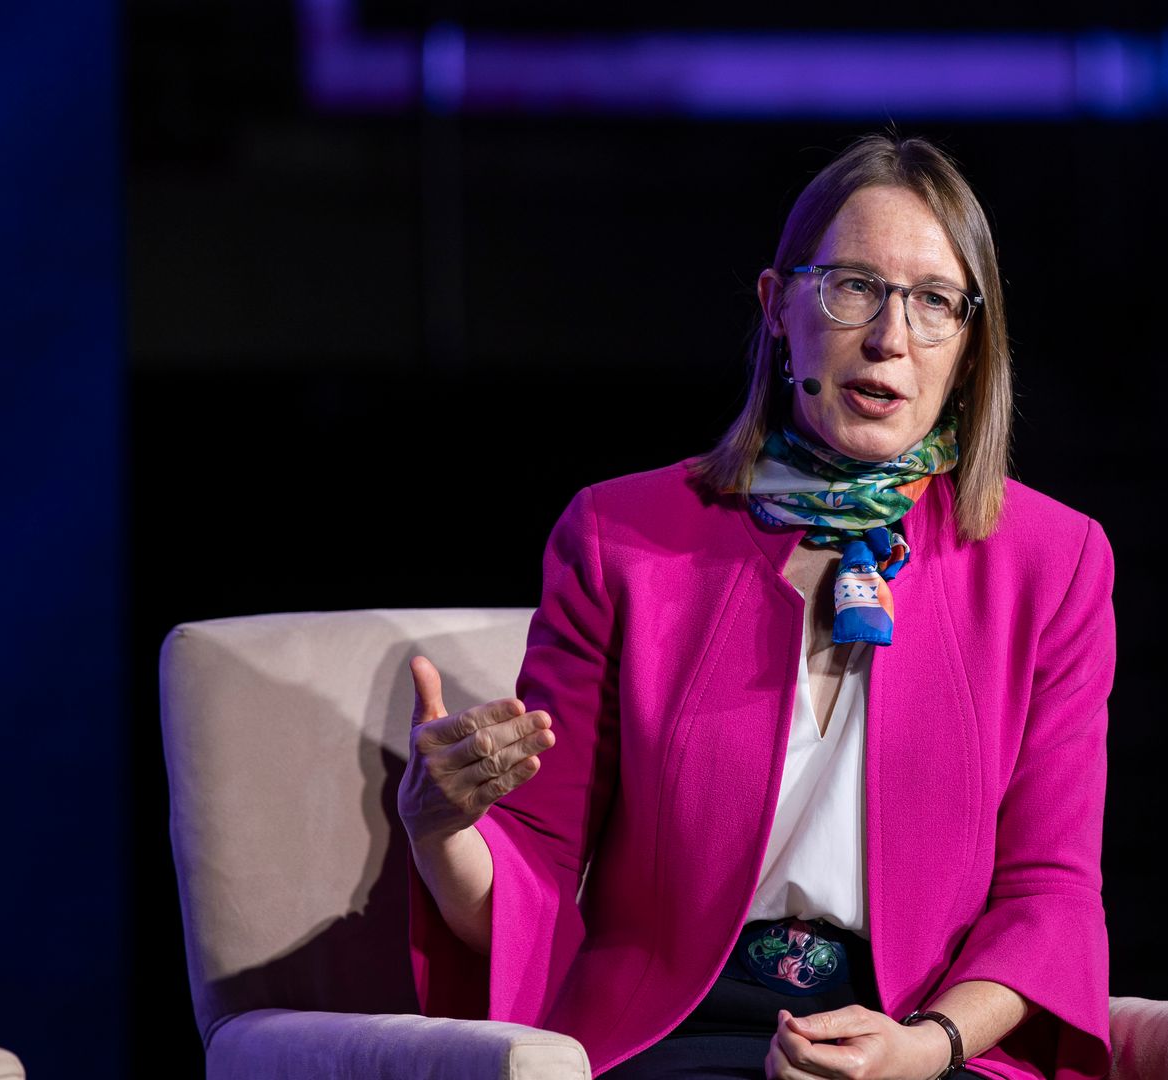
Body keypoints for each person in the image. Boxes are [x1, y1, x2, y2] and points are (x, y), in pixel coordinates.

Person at [399, 133, 1116, 1080]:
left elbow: (1048, 895)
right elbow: (532, 871)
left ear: (969, 344)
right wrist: (438, 828)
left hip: (918, 1034)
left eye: (933, 302)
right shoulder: (621, 539)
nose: (890, 336)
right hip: (676, 1030)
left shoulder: (1053, 563)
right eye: (853, 287)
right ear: (780, 307)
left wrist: (925, 1046)